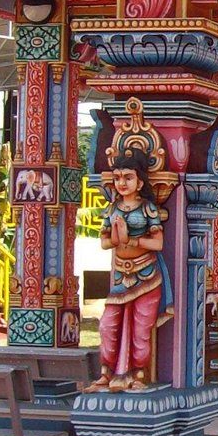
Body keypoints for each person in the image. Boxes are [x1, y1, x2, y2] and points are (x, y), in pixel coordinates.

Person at [89, 148, 172, 392]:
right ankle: (106, 373)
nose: (122, 183)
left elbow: (158, 244)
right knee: (107, 326)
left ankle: (137, 375)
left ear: (140, 181)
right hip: (119, 276)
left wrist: (131, 240)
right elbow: (104, 243)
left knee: (141, 331)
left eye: (128, 177)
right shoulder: (112, 209)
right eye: (117, 178)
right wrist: (117, 237)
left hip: (146, 276)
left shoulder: (148, 209)